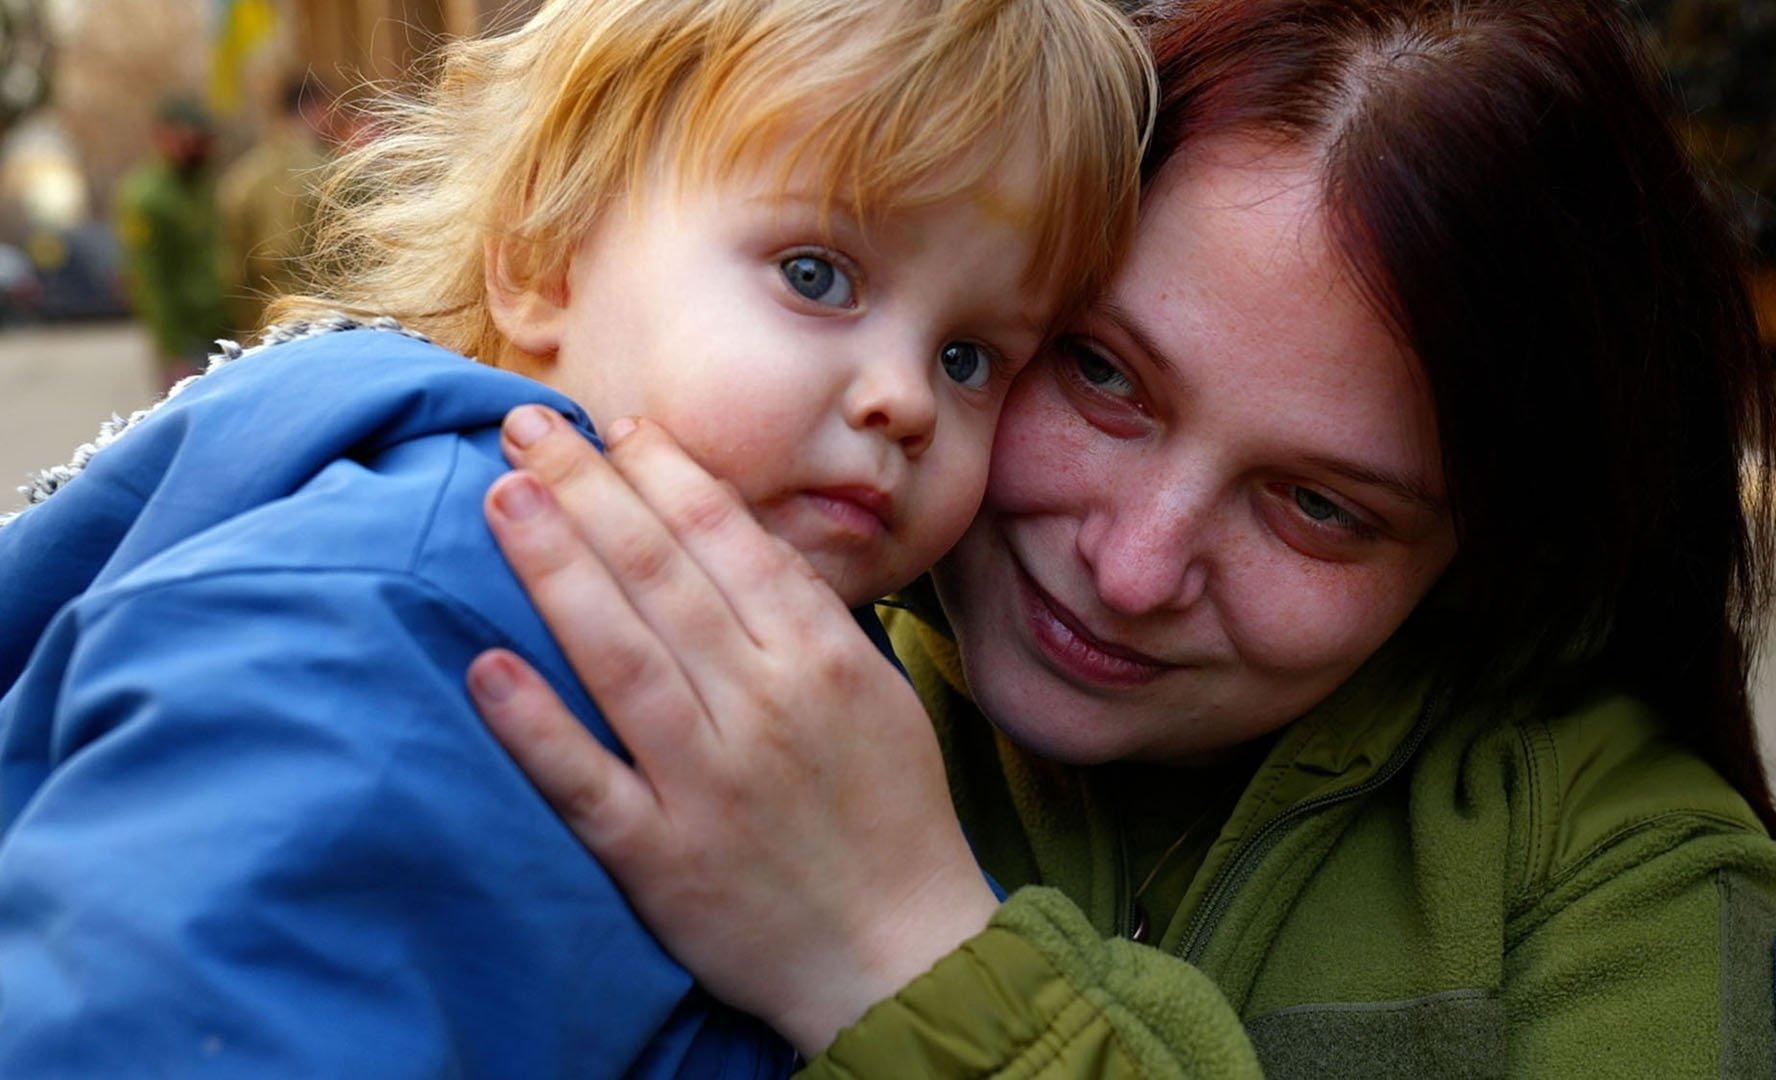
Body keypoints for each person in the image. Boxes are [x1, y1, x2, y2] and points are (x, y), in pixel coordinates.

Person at [464, 0, 1776, 1075]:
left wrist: (911, 961)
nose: (1130, 572)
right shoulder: (616, 638)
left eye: (1320, 508)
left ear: (1486, 558)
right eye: (1102, 376)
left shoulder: (1615, 874)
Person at [0, 0, 1148, 1074]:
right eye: (818, 275)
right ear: (545, 256)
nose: (906, 398)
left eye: (972, 358)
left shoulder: (770, 650)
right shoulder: (435, 602)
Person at [115, 96, 228, 388]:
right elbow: (151, 282)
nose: (197, 148)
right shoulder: (148, 198)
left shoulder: (205, 184)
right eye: (187, 139)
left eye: (202, 140)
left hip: (224, 323)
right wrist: (172, 350)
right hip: (187, 337)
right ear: (163, 137)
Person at [218, 78, 334, 339]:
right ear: (317, 109)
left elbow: (233, 268)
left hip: (263, 315)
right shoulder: (329, 171)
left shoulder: (242, 176)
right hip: (321, 314)